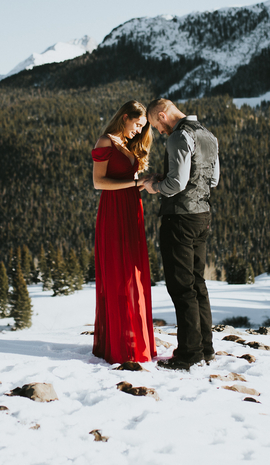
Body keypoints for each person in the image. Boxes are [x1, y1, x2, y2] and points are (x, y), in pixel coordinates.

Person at [143, 98, 220, 370]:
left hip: (180, 217)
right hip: (202, 216)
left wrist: (154, 185)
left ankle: (188, 354)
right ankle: (205, 348)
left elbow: (176, 184)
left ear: (163, 115)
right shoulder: (208, 135)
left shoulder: (180, 136)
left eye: (156, 125)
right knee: (198, 283)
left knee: (181, 286)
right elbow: (213, 180)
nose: (159, 132)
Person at [90, 100, 157, 364]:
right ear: (125, 117)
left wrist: (148, 181)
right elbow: (99, 183)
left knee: (134, 273)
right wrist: (136, 180)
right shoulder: (105, 142)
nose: (139, 131)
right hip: (113, 214)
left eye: (143, 127)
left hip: (131, 211)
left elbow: (128, 183)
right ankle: (119, 347)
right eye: (137, 124)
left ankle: (134, 339)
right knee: (121, 274)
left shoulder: (126, 145)